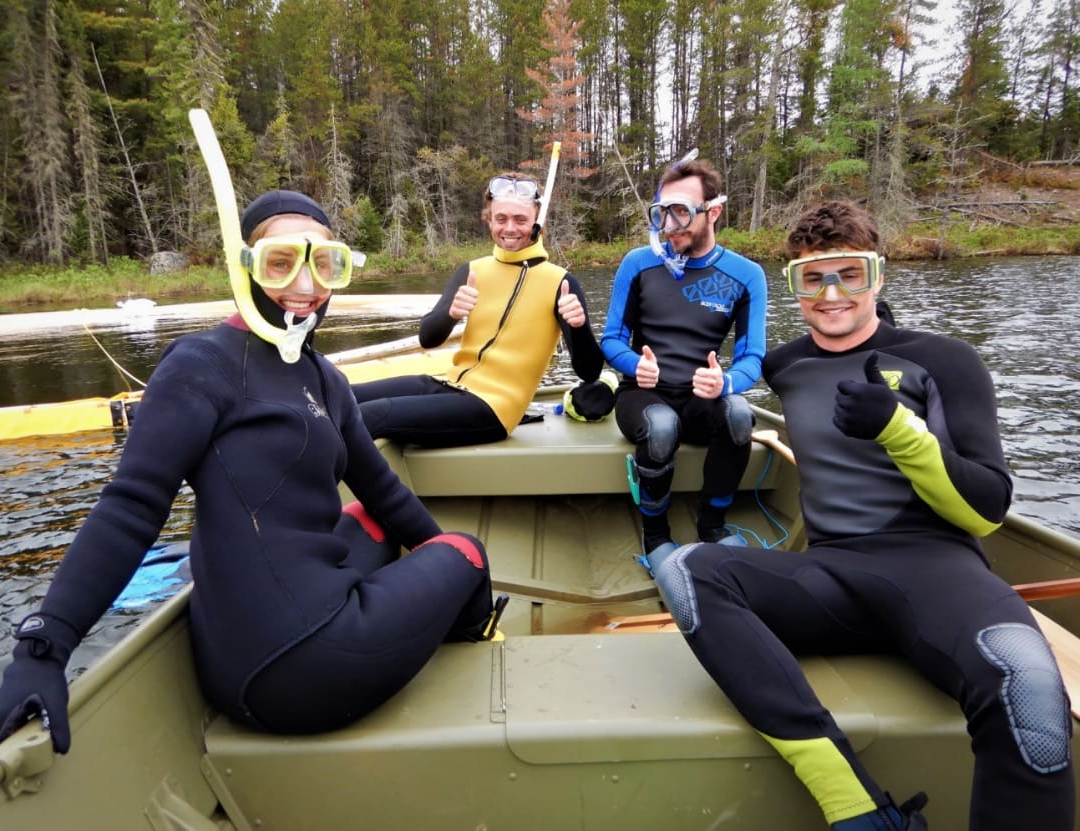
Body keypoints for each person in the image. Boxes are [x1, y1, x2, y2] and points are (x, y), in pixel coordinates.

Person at [0, 190, 504, 753]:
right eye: (282, 263)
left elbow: (383, 494)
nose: (305, 287)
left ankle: (410, 603)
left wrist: (426, 551)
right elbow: (131, 506)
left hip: (236, 666)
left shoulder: (323, 377)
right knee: (467, 550)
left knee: (369, 518)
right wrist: (43, 650)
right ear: (246, 267)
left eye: (324, 264)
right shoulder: (201, 365)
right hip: (310, 668)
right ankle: (470, 627)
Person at [651, 200, 1075, 829]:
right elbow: (716, 396)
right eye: (811, 277)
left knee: (1030, 693)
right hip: (833, 575)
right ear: (793, 284)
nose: (831, 294)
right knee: (684, 570)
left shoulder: (946, 360)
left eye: (850, 274)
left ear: (877, 275)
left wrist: (898, 430)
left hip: (936, 567)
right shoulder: (785, 366)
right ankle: (854, 804)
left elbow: (987, 511)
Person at [352, 172, 607, 448]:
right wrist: (451, 313)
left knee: (372, 415)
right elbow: (428, 338)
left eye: (520, 219)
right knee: (343, 396)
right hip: (449, 386)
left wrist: (578, 326)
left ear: (537, 221)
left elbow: (589, 372)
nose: (510, 228)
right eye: (501, 219)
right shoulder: (473, 271)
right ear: (489, 220)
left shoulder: (560, 282)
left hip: (494, 409)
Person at [600, 154, 767, 565]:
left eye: (681, 213)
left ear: (713, 212)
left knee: (740, 414)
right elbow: (611, 339)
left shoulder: (746, 275)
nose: (669, 226)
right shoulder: (639, 264)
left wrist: (725, 383)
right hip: (642, 395)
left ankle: (712, 524)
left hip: (699, 398)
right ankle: (655, 535)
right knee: (660, 426)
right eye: (662, 214)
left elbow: (752, 357)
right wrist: (632, 364)